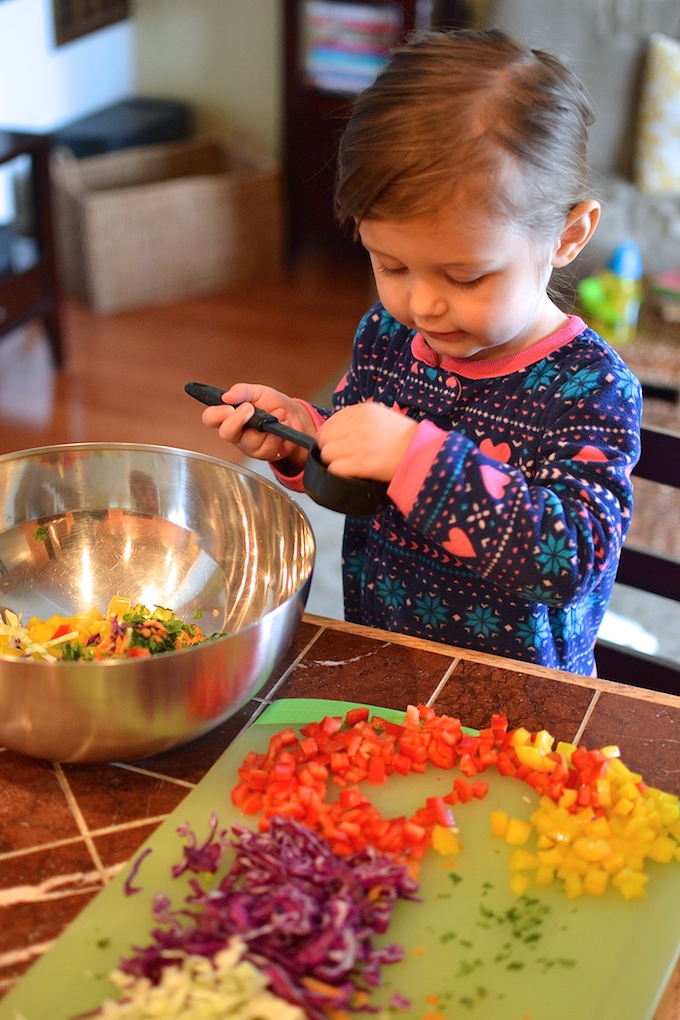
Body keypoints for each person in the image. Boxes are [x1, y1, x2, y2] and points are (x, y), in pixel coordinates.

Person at [200, 29, 642, 676]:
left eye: (466, 277)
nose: (424, 305)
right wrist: (308, 440)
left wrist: (415, 456)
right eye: (391, 265)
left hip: (520, 705)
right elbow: (364, 487)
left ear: (568, 236)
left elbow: (570, 560)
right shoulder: (387, 336)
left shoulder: (592, 388)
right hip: (386, 661)